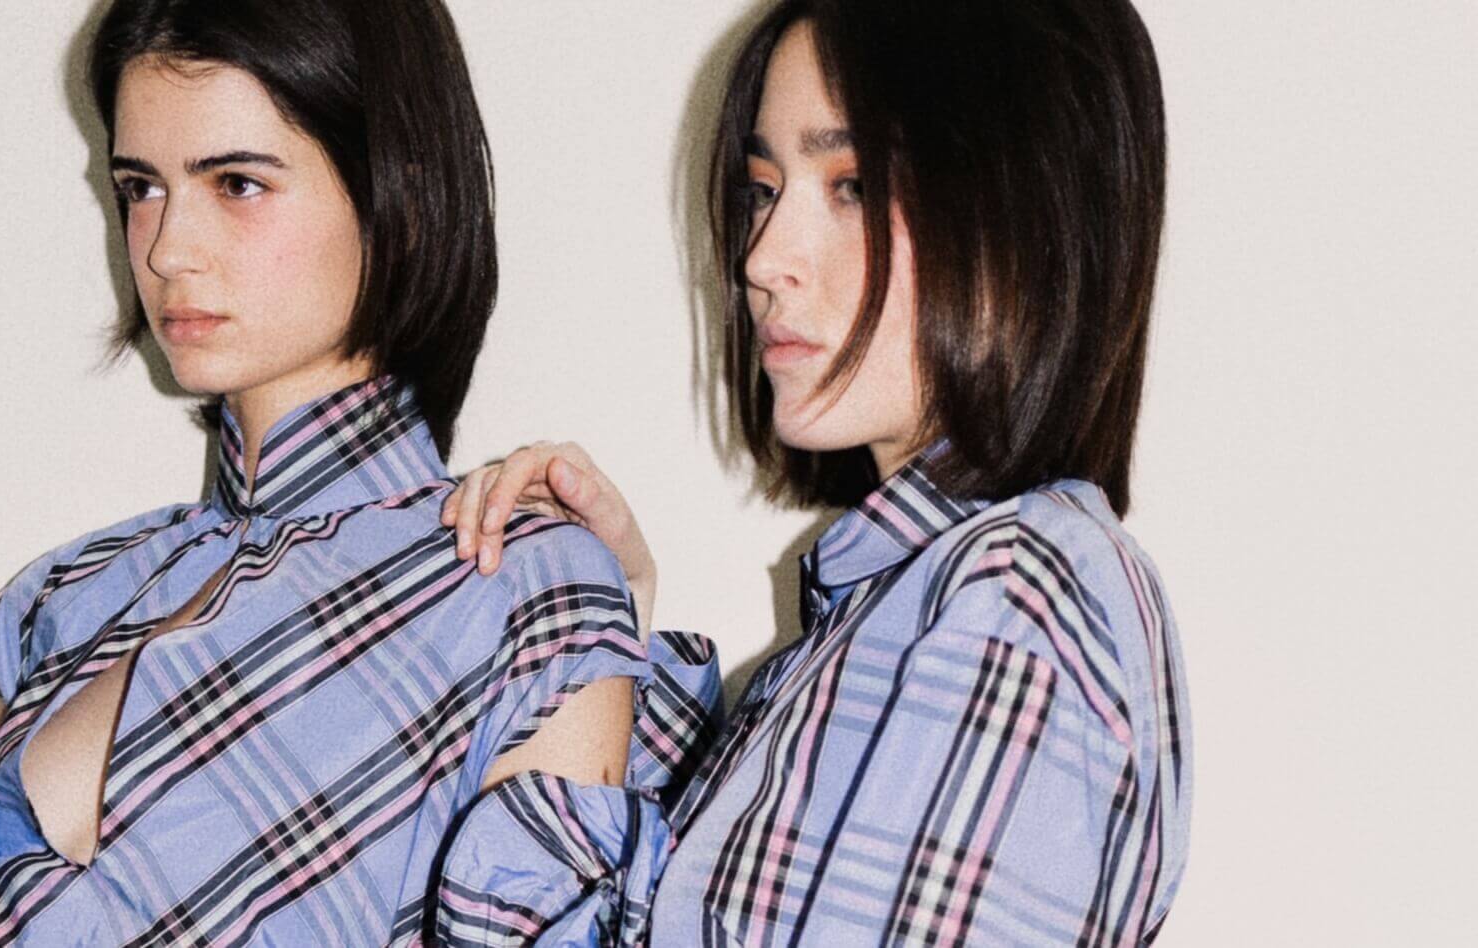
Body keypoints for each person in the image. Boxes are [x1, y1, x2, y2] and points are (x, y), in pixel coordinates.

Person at [0, 1, 716, 944]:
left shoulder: (520, 587)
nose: (167, 249)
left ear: (398, 198)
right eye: (141, 187)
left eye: (237, 183)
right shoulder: (80, 595)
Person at [438, 0, 1192, 943]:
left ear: (1026, 217)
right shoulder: (900, 611)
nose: (761, 259)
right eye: (763, 189)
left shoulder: (1013, 597)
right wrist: (611, 616)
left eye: (854, 186)